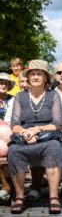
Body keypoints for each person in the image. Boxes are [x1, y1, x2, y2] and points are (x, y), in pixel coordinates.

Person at [8, 60, 62, 214]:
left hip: (47, 135)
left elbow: (58, 124)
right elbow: (14, 124)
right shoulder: (20, 97)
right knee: (14, 151)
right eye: (33, 73)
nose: (36, 76)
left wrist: (37, 129)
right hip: (25, 136)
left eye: (39, 74)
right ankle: (19, 196)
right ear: (28, 77)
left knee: (54, 147)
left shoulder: (54, 96)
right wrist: (26, 133)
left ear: (46, 78)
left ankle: (54, 197)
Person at [0, 73, 15, 201]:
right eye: (1, 83)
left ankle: (8, 185)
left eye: (6, 83)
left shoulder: (13, 99)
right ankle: (6, 184)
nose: (3, 85)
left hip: (10, 132)